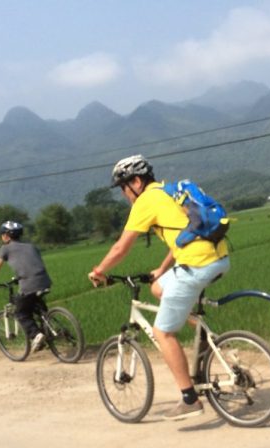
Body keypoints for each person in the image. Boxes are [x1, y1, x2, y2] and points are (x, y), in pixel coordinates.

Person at [88, 154, 230, 421]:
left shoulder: (145, 202)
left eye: (123, 187)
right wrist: (161, 270)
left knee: (162, 332)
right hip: (218, 258)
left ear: (137, 182)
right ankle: (202, 332)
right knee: (157, 288)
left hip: (196, 265)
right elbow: (183, 237)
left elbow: (121, 247)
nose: (123, 194)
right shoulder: (169, 192)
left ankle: (189, 399)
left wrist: (99, 271)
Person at [0, 221, 52, 352]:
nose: (2, 237)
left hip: (29, 284)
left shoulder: (5, 248)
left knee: (21, 313)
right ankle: (48, 328)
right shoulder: (31, 246)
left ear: (6, 236)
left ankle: (37, 335)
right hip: (45, 280)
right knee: (36, 306)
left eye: (2, 234)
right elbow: (31, 264)